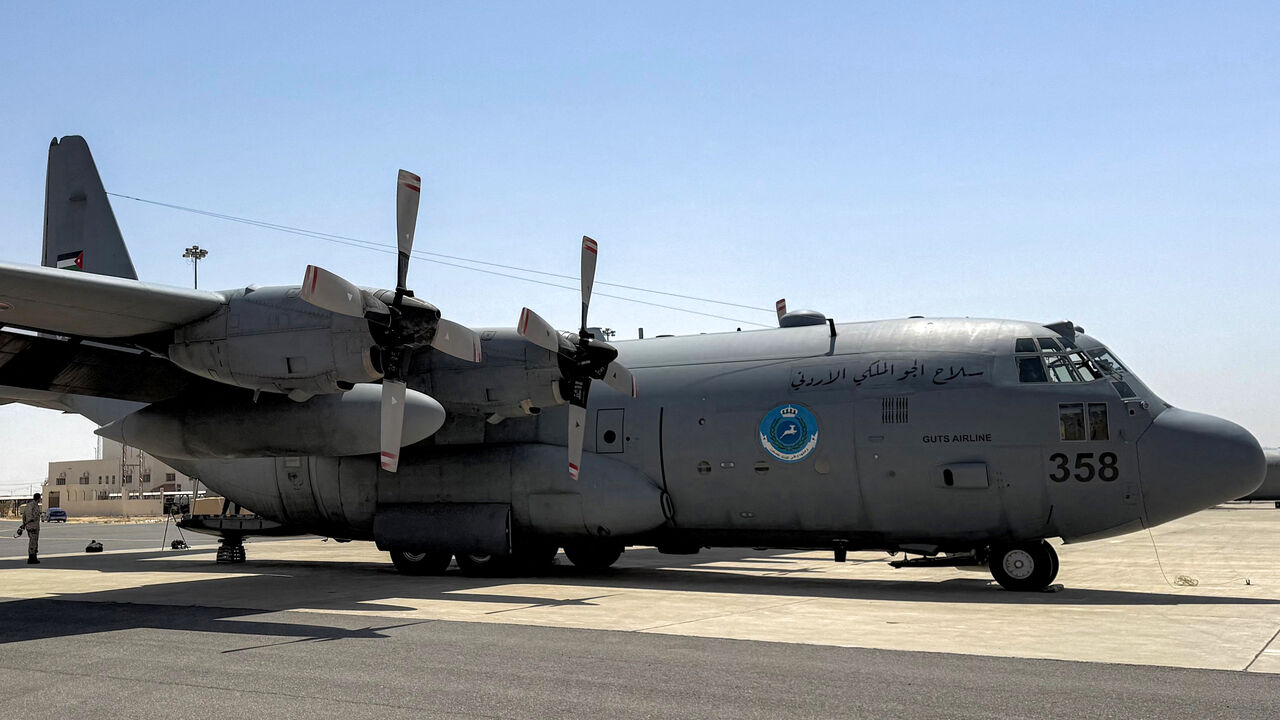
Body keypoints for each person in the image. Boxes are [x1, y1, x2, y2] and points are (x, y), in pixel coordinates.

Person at [20, 492, 41, 564]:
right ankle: (31, 558)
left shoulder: (33, 505)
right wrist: (26, 524)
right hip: (32, 526)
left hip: (34, 526)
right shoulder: (31, 506)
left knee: (34, 542)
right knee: (32, 542)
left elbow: (24, 516)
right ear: (38, 498)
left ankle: (34, 557)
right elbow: (28, 516)